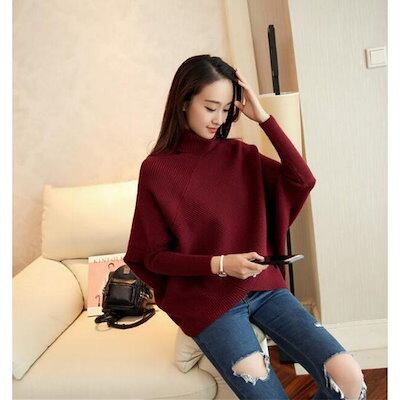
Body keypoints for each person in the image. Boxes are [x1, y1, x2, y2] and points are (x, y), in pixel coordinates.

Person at [124, 55, 367, 400]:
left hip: (265, 288)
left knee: (350, 380)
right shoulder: (157, 170)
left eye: (226, 109)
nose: (219, 119)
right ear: (184, 101)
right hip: (210, 301)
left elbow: (302, 179)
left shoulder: (241, 156)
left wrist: (264, 118)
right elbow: (153, 257)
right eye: (211, 107)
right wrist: (221, 264)